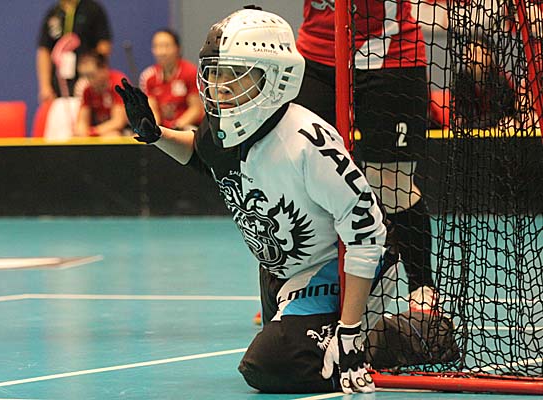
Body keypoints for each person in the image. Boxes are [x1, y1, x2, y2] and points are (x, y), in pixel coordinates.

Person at [117, 6, 399, 394]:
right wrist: (156, 135)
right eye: (215, 72)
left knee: (269, 365)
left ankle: (390, 339)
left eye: (234, 73)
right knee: (278, 351)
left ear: (274, 77)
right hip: (283, 272)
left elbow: (367, 233)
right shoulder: (226, 129)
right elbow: (203, 157)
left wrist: (350, 332)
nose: (219, 85)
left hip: (335, 270)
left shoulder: (308, 142)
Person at [294, 0, 439, 312]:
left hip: (391, 55)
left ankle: (422, 287)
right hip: (318, 58)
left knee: (390, 183)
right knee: (303, 178)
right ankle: (296, 285)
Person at [37, 0, 112, 103]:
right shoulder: (53, 14)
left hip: (86, 83)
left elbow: (103, 46)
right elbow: (44, 51)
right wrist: (45, 86)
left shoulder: (92, 9)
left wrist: (93, 74)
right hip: (59, 85)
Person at [139, 29, 204, 130]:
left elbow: (195, 109)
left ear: (178, 48)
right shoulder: (148, 77)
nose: (162, 52)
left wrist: (176, 128)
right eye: (157, 46)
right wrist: (153, 129)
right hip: (163, 129)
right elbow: (153, 111)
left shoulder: (190, 72)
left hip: (188, 126)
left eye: (167, 46)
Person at [75, 51, 128, 137]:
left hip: (126, 130)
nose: (88, 80)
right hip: (100, 130)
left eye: (91, 75)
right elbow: (81, 122)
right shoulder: (87, 90)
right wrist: (82, 133)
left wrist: (92, 132)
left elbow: (118, 122)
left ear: (103, 70)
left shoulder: (118, 84)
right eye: (85, 76)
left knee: (112, 136)